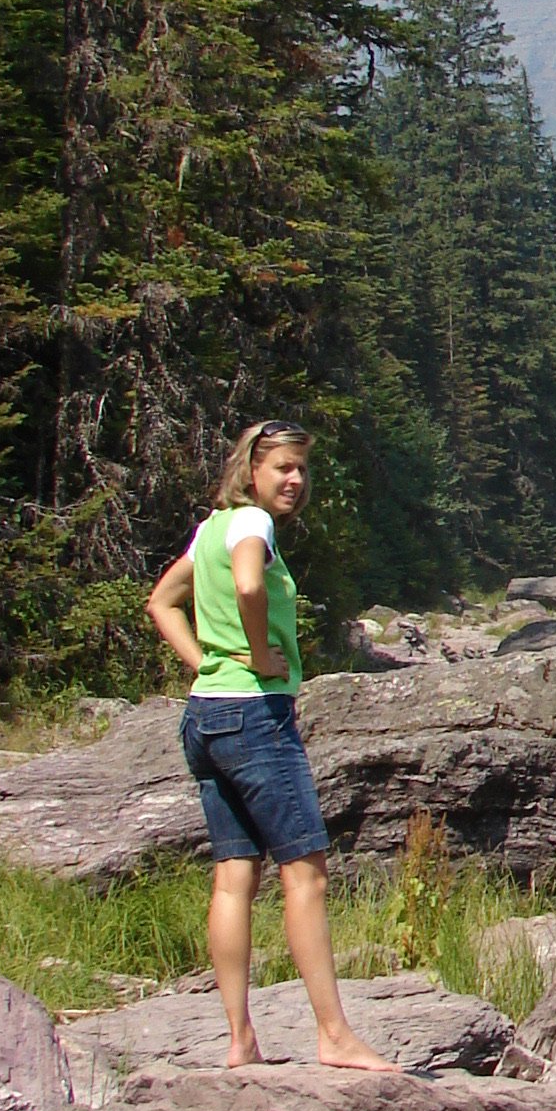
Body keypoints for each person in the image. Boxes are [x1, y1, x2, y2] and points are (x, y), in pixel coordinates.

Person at [146, 421, 393, 1072]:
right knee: (305, 871)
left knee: (233, 876)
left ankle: (240, 1041)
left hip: (206, 717)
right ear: (250, 470)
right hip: (255, 716)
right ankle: (335, 1036)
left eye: (302, 470)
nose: (295, 480)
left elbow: (161, 604)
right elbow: (251, 587)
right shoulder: (251, 525)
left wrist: (204, 663)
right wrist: (257, 654)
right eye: (283, 467)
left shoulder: (212, 529)